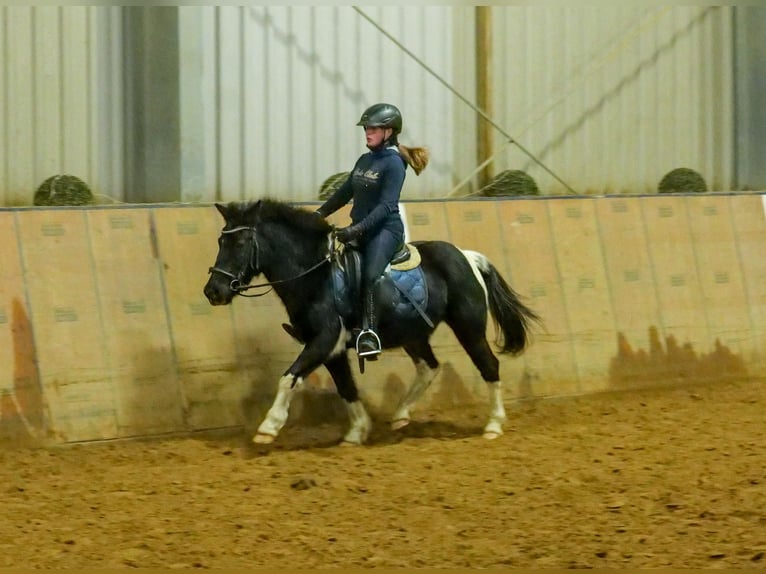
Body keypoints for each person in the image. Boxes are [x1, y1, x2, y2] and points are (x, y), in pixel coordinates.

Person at [314, 103, 429, 359]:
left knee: (370, 274)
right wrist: (317, 215)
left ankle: (369, 333)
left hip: (384, 232)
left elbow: (387, 206)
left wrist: (356, 230)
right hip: (362, 230)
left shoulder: (394, 164)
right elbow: (345, 192)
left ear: (389, 131)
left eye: (373, 128)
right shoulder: (365, 160)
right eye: (366, 128)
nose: (367, 132)